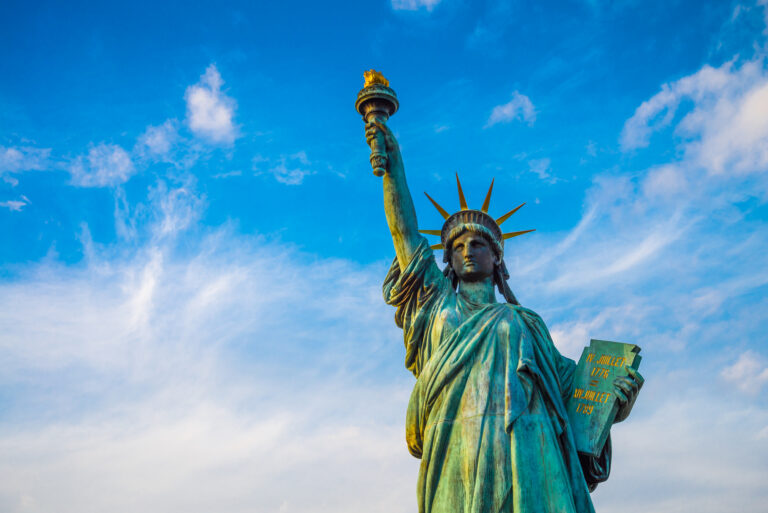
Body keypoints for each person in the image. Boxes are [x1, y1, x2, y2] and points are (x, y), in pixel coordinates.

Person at [366, 120, 642, 513]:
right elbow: (405, 235)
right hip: (452, 444)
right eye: (458, 245)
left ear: (497, 256)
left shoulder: (525, 323)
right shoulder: (436, 304)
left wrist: (614, 404)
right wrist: (393, 166)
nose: (467, 250)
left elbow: (574, 397)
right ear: (447, 259)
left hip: (523, 450)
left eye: (478, 244)